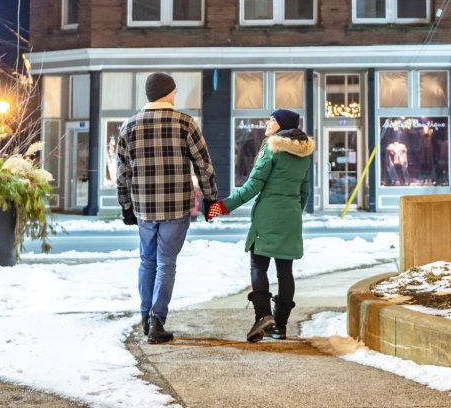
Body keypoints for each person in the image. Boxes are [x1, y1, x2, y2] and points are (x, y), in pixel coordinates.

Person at [116, 72, 218, 344]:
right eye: (174, 91)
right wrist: (211, 201)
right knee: (166, 263)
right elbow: (203, 166)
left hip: (144, 207)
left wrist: (125, 205)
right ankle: (157, 321)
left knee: (147, 260)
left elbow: (122, 172)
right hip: (176, 206)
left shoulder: (129, 126)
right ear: (169, 93)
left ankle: (145, 315)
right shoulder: (185, 123)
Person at [208, 109, 314, 342]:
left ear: (281, 125)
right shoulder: (304, 153)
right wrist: (293, 210)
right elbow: (304, 191)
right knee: (285, 271)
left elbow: (253, 185)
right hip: (291, 217)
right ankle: (281, 326)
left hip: (267, 216)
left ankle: (263, 316)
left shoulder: (272, 148)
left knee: (258, 267)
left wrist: (221, 207)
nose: (268, 124)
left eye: (272, 121)